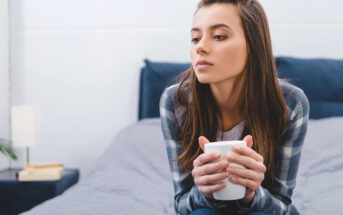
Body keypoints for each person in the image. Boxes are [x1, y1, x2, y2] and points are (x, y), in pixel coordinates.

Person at [159, 0, 309, 214]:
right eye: (195, 38)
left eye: (219, 36)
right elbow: (181, 205)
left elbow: (282, 205)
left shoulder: (291, 102)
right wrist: (204, 192)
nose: (200, 46)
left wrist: (251, 194)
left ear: (253, 44)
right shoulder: (175, 100)